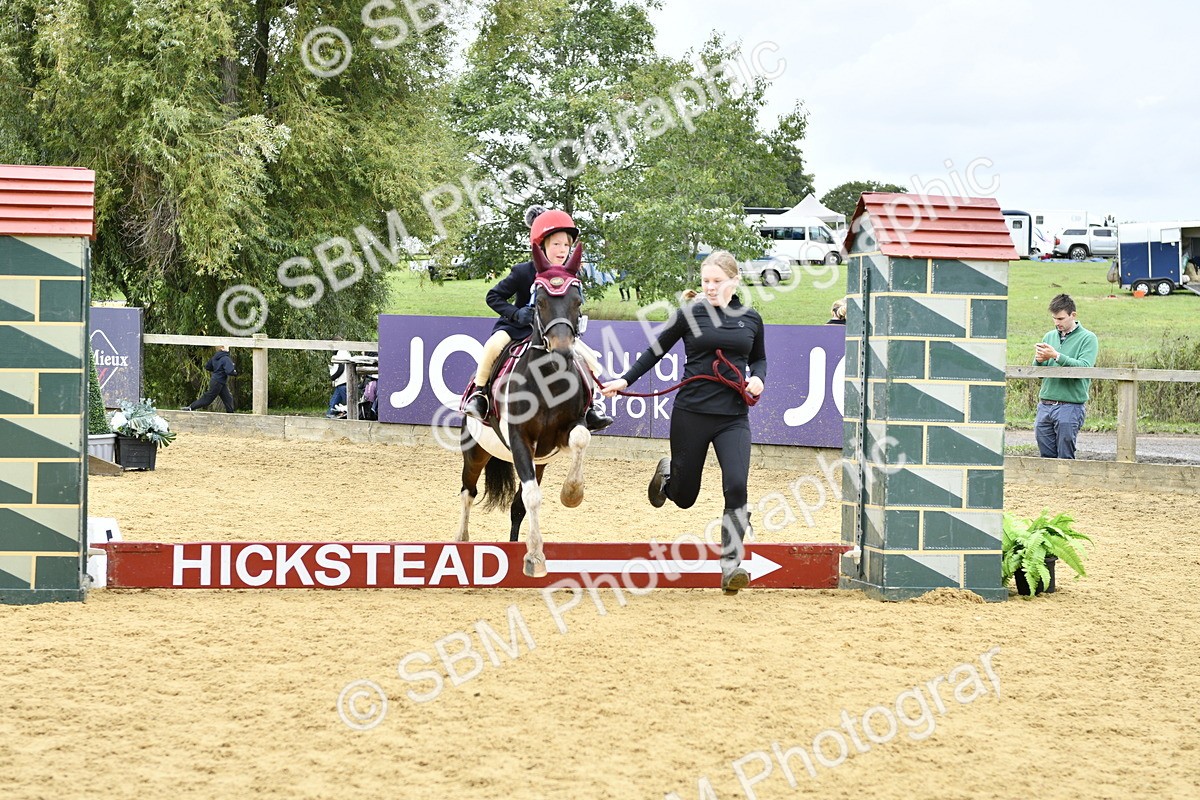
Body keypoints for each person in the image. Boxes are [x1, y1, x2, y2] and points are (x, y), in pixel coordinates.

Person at [600, 250, 766, 595]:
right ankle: (668, 476)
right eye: (706, 281)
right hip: (691, 414)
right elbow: (655, 351)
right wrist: (624, 380)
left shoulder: (751, 318)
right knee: (685, 497)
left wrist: (758, 378)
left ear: (734, 281)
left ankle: (731, 566)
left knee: (736, 486)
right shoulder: (689, 314)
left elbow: (759, 358)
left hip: (733, 418)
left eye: (717, 281)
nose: (710, 287)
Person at [463, 206, 613, 432]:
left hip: (553, 332)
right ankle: (480, 395)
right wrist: (516, 313)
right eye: (556, 244)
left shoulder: (571, 274)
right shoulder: (523, 271)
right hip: (518, 328)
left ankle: (589, 407)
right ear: (541, 244)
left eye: (566, 245)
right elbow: (493, 296)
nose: (562, 250)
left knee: (588, 358)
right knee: (492, 346)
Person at [1034, 293, 1099, 459]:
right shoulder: (1049, 336)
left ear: (1073, 315)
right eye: (1054, 319)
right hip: (1045, 404)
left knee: (1065, 455)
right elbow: (1039, 374)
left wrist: (1056, 356)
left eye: (1061, 319)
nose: (1057, 323)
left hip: (1070, 405)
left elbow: (1084, 368)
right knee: (1045, 456)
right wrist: (1039, 361)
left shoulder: (1088, 338)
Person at [181, 344, 236, 412]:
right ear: (222, 348)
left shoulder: (215, 357)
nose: (229, 346)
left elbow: (208, 366)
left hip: (217, 381)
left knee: (228, 398)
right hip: (218, 382)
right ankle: (191, 407)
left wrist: (217, 370)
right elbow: (229, 371)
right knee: (208, 399)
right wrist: (234, 371)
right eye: (226, 345)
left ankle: (231, 416)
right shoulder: (226, 358)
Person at [327, 347, 352, 418]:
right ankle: (328, 418)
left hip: (343, 382)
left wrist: (333, 377)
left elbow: (341, 368)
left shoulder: (341, 353)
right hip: (341, 383)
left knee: (349, 405)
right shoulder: (346, 352)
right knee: (333, 403)